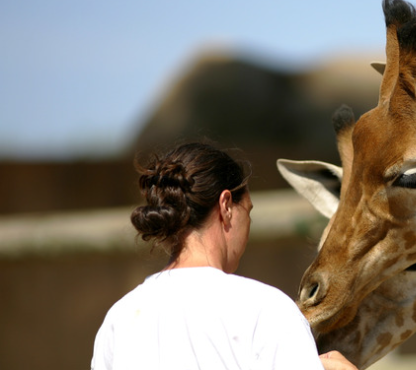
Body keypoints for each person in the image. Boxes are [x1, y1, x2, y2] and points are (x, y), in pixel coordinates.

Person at [91, 142, 357, 370]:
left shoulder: (120, 318)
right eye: (248, 211)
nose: (249, 227)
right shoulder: (267, 310)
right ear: (226, 205)